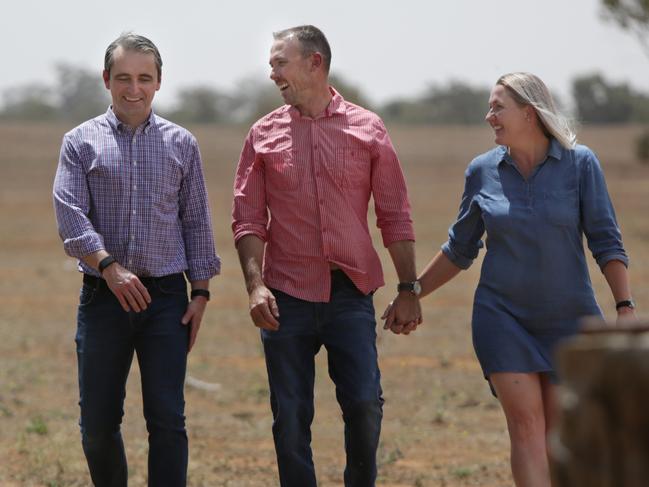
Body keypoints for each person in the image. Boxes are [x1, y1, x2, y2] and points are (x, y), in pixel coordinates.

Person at [383, 72, 637, 487]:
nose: (489, 117)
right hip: (502, 318)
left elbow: (607, 241)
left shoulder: (580, 163)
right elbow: (459, 248)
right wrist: (412, 292)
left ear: (529, 113)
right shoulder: (482, 171)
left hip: (571, 322)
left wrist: (625, 308)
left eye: (497, 107)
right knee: (525, 427)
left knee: (560, 436)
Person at [232, 25, 421, 487]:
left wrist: (408, 288)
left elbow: (394, 214)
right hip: (285, 294)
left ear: (314, 63)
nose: (272, 71)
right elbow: (248, 220)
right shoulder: (262, 134)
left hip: (349, 292)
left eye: (281, 62)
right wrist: (255, 286)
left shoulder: (368, 128)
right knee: (290, 416)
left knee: (363, 403)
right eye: (272, 63)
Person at [53, 33, 220, 487]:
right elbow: (69, 215)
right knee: (97, 426)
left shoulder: (181, 143)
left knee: (168, 421)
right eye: (123, 78)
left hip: (167, 299)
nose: (134, 89)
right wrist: (108, 266)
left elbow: (197, 222)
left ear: (159, 82)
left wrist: (200, 292)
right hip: (103, 298)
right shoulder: (79, 142)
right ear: (106, 79)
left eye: (144, 78)